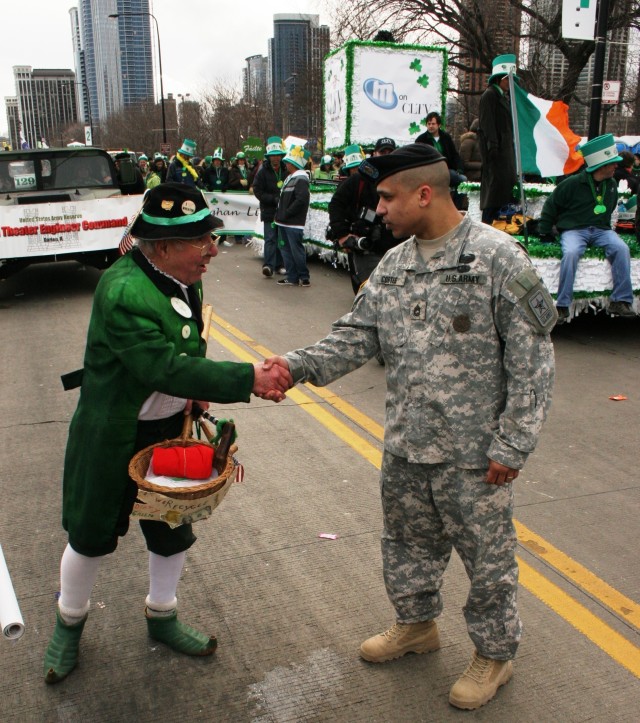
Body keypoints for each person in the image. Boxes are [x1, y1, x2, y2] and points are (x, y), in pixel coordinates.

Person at [266, 143, 557, 710]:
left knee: (488, 560)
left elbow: (533, 362)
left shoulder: (498, 259)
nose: (378, 209)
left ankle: (495, 654)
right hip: (406, 444)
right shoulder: (395, 266)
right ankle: (417, 625)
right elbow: (356, 337)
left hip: (475, 455)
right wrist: (293, 368)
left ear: (425, 194)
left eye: (386, 197)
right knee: (405, 545)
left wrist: (514, 442)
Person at [42, 183, 292, 685]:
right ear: (160, 246)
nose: (212, 251)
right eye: (200, 241)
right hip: (114, 433)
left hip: (167, 431)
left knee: (172, 526)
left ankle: (163, 615)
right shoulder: (122, 290)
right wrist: (248, 378)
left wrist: (196, 396)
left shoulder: (182, 277)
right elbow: (162, 366)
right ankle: (68, 626)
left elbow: (189, 345)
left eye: (210, 237)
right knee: (89, 536)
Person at [537, 133, 637, 322]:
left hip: (602, 230)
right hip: (574, 229)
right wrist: (544, 230)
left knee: (621, 248)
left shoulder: (612, 185)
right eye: (613, 163)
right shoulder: (572, 183)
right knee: (572, 252)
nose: (616, 166)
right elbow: (551, 205)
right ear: (601, 166)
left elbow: (610, 208)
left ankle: (621, 300)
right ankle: (563, 305)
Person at [328, 138, 402, 294]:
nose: (386, 155)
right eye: (383, 152)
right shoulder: (360, 179)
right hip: (367, 249)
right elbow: (336, 204)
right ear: (375, 153)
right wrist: (342, 234)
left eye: (390, 152)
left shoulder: (401, 178)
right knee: (368, 295)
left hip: (396, 247)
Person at [478, 55, 518, 224]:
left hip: (504, 151)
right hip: (496, 153)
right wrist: (492, 146)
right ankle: (487, 224)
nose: (510, 83)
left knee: (502, 193)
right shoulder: (490, 95)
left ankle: (499, 224)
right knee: (494, 194)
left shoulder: (503, 97)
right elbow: (487, 124)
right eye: (508, 79)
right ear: (500, 79)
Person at [274, 145, 311, 287]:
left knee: (294, 250)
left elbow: (301, 200)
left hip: (292, 222)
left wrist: (286, 213)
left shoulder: (300, 179)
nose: (286, 164)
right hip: (284, 221)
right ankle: (293, 277)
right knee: (287, 250)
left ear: (294, 164)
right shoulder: (292, 178)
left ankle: (302, 276)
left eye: (288, 162)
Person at [252, 136, 289, 278]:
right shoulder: (262, 171)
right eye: (273, 156)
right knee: (270, 238)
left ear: (281, 156)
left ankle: (280, 265)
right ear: (269, 157)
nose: (276, 158)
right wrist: (272, 199)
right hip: (269, 210)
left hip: (283, 210)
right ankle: (268, 265)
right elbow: (257, 190)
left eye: (278, 155)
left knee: (281, 238)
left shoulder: (286, 169)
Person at [416, 112, 466, 186]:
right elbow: (417, 158)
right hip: (429, 171)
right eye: (428, 124)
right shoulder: (421, 139)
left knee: (463, 180)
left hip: (446, 169)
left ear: (439, 125)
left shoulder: (446, 137)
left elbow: (454, 154)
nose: (430, 126)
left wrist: (459, 168)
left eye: (433, 124)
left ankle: (454, 198)